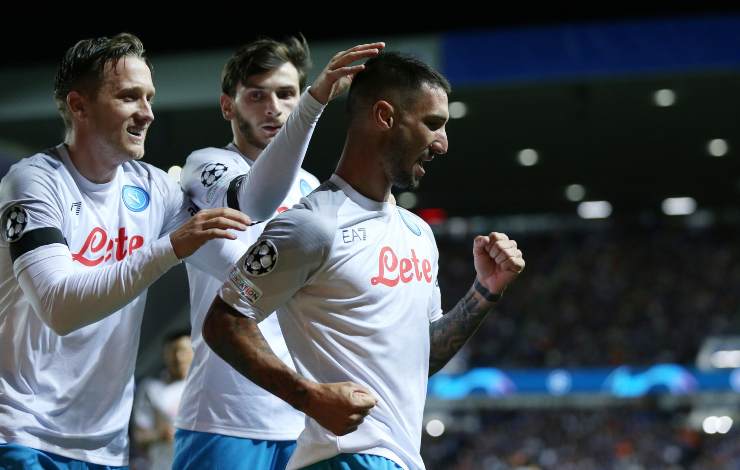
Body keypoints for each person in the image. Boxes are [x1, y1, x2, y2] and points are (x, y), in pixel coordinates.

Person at [203, 52, 526, 470]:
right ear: (385, 116)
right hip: (344, 458)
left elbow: (421, 358)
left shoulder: (417, 233)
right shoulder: (314, 225)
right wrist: (308, 396)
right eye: (433, 123)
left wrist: (484, 292)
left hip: (399, 459)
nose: (443, 143)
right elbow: (224, 321)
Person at [0, 32, 273, 469]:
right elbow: (59, 307)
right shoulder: (34, 181)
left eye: (149, 98)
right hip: (22, 434)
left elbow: (232, 270)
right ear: (79, 106)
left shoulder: (154, 187)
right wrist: (170, 247)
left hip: (105, 445)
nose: (147, 113)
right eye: (129, 97)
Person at [174, 36, 384, 469]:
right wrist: (315, 100)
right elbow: (254, 207)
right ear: (227, 106)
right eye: (257, 95)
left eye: (287, 94)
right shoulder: (205, 165)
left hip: (303, 416)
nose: (273, 107)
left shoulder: (312, 188)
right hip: (225, 417)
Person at [132, 329, 193, 470]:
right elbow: (139, 437)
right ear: (164, 355)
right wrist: (161, 435)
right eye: (172, 352)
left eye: (183, 351)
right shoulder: (151, 389)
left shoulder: (204, 387)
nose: (178, 358)